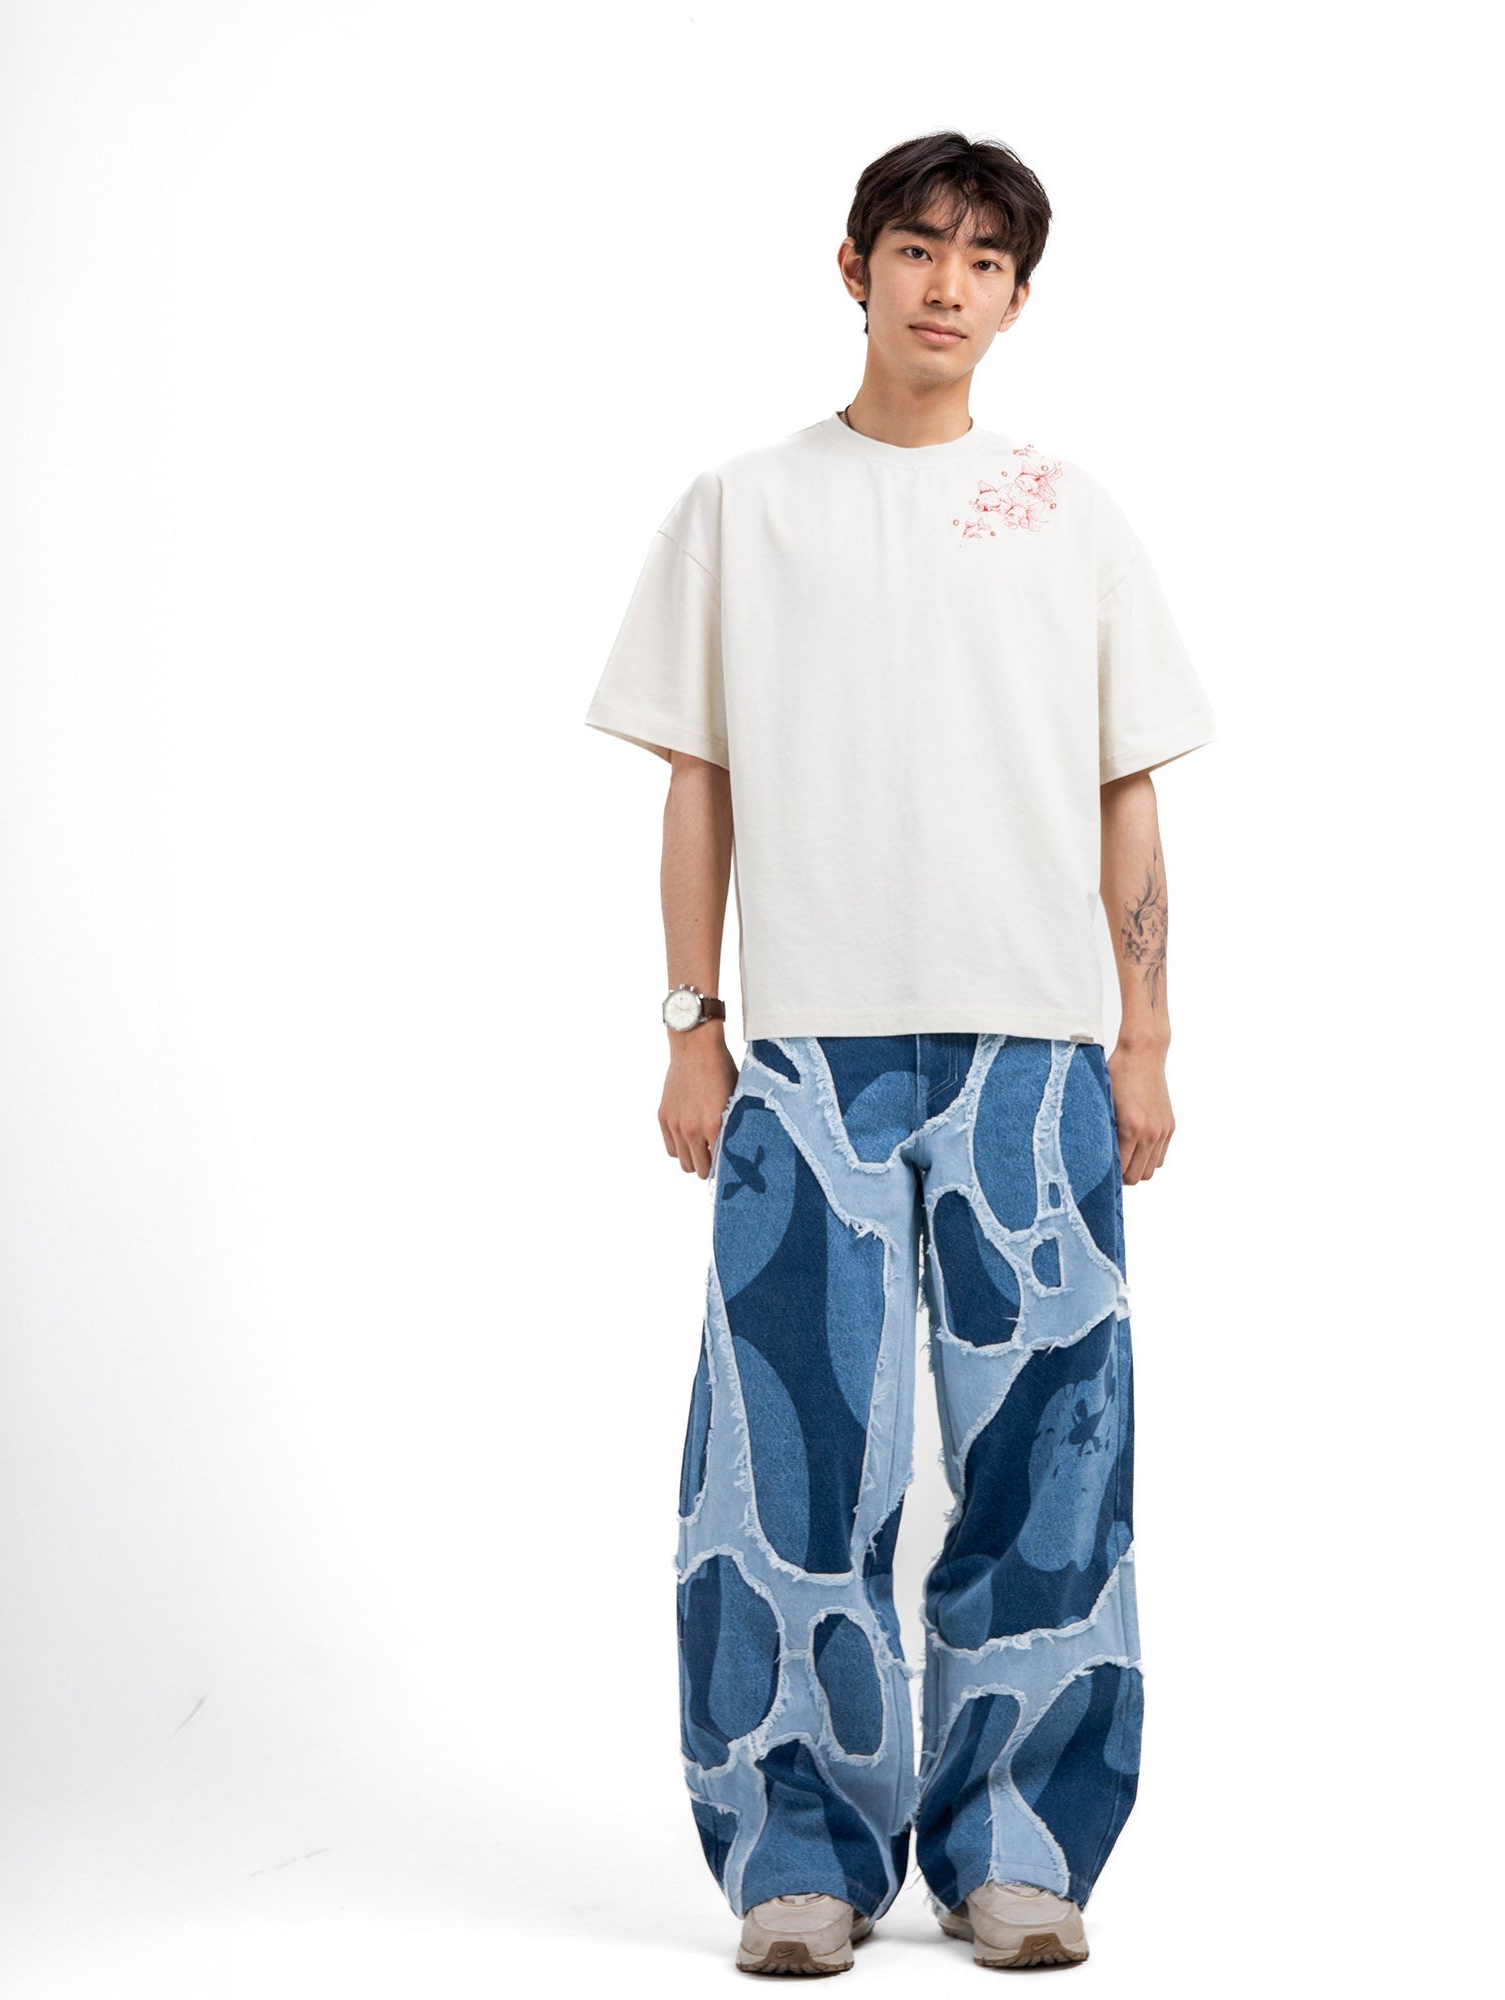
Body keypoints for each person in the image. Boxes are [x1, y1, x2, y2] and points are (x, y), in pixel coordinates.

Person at [584, 129, 1215, 1976]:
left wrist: (1147, 1035)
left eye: (987, 260)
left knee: (1051, 1454)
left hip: (1038, 1062)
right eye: (920, 247)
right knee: (790, 1461)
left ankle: (1023, 1842)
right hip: (808, 1060)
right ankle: (798, 1850)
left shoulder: (1067, 513)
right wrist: (693, 1025)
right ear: (853, 265)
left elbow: (1126, 789)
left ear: (1019, 297)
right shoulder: (743, 507)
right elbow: (697, 782)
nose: (950, 284)